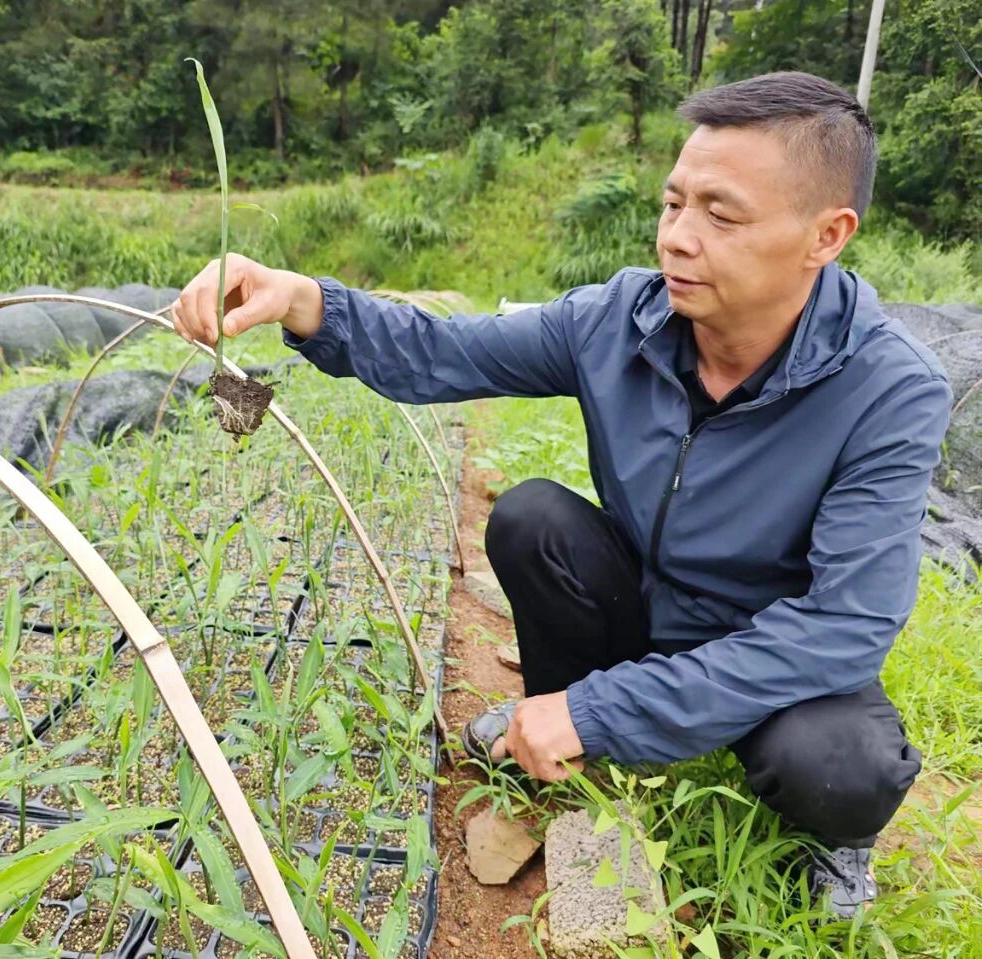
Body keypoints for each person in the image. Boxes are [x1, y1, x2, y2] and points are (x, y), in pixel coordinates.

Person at [169, 71, 952, 918]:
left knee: (844, 765)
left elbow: (841, 626)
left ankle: (820, 839)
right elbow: (446, 351)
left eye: (721, 215)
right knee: (533, 517)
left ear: (826, 235)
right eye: (672, 205)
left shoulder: (887, 389)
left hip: (776, 650)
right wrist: (307, 302)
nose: (678, 240)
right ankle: (555, 727)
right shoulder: (623, 320)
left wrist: (603, 707)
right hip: (651, 601)